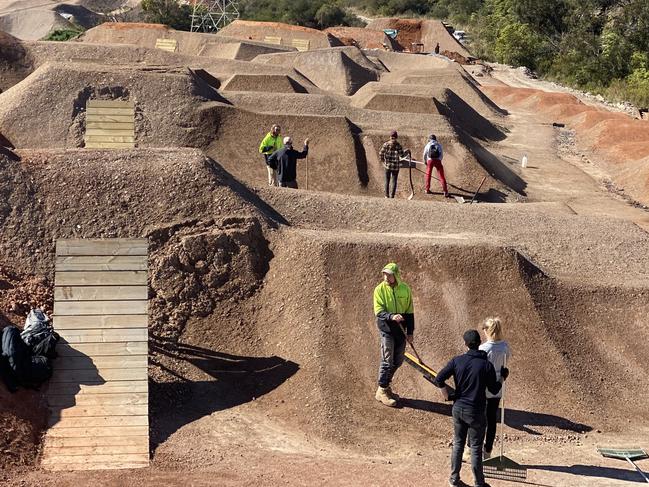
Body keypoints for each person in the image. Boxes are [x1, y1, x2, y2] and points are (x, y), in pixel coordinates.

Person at [433, 329, 509, 487]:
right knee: (475, 447)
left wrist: (446, 395)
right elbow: (494, 389)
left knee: (458, 443)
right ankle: (479, 483)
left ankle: (454, 480)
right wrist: (502, 376)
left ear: (465, 344)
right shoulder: (485, 365)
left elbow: (439, 378)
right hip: (476, 412)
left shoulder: (457, 361)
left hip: (458, 408)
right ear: (479, 343)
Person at [373, 262, 414, 407]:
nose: (385, 277)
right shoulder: (379, 290)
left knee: (398, 361)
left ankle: (384, 386)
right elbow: (378, 311)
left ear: (395, 275)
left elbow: (409, 312)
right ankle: (382, 391)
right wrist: (391, 316)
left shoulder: (405, 289)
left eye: (388, 274)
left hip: (401, 332)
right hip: (387, 330)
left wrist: (410, 332)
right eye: (384, 274)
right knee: (387, 360)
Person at [479, 317, 512, 459]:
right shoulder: (505, 347)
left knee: (480, 419)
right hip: (498, 385)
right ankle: (488, 450)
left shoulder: (484, 348)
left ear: (488, 330)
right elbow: (506, 360)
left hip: (484, 387)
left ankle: (475, 447)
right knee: (492, 420)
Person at [379, 130, 410, 198]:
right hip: (396, 167)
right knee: (394, 181)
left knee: (387, 181)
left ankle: (386, 195)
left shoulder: (386, 144)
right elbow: (402, 155)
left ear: (390, 136)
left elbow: (381, 153)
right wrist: (406, 152)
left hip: (387, 166)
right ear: (396, 137)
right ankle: (392, 195)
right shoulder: (398, 145)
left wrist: (383, 161)